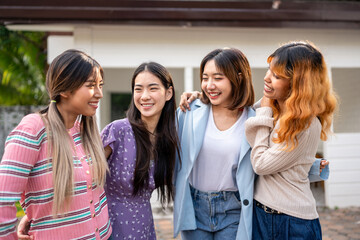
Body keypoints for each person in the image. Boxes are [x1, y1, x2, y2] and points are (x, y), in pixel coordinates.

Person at [174, 47, 329, 240]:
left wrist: (309, 165)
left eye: (218, 77)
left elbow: (262, 162)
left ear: (237, 77)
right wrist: (197, 95)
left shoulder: (258, 117)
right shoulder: (190, 112)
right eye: (205, 78)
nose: (209, 84)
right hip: (202, 208)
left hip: (244, 210)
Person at [0, 49, 112, 239]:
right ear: (65, 89)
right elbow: (3, 200)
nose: (99, 94)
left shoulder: (84, 132)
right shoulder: (33, 129)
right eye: (91, 85)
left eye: (100, 85)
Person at [245, 41, 337, 239]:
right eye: (269, 70)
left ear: (298, 85)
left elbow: (260, 164)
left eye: (277, 76)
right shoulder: (276, 108)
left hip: (290, 222)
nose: (267, 78)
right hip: (262, 214)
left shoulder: (304, 124)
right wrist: (201, 100)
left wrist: (265, 110)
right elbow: (236, 112)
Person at [101, 62, 180, 239]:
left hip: (144, 228)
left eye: (152, 88)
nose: (144, 96)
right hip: (108, 227)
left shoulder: (168, 139)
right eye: (138, 89)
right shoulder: (117, 131)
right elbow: (86, 175)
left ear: (168, 93)